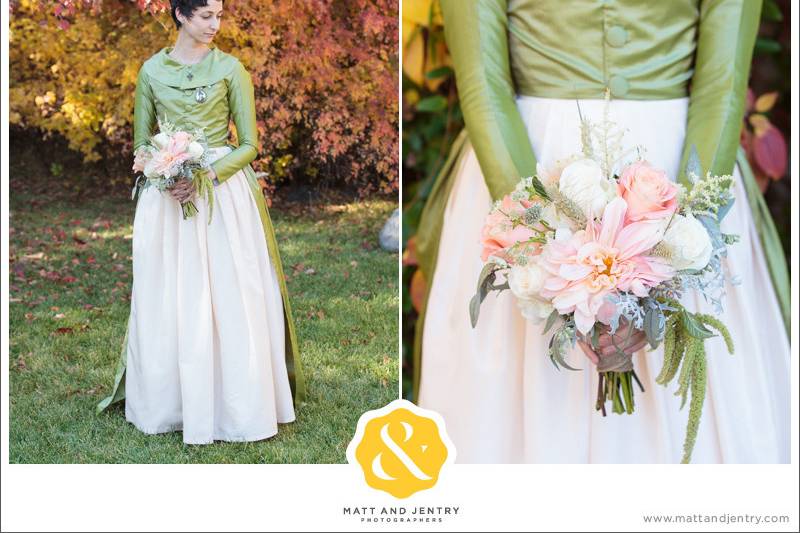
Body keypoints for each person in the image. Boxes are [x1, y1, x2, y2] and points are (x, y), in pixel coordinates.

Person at [413, 0, 789, 463]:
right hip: (526, 165)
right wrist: (535, 240)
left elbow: (722, 88)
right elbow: (482, 84)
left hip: (678, 172)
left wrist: (679, 244)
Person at [96, 0, 305, 444]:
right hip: (166, 199)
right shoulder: (150, 71)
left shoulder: (232, 69)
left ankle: (239, 401)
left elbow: (248, 145)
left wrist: (206, 176)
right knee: (169, 292)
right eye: (207, 15)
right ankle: (168, 402)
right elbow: (141, 143)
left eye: (220, 16)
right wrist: (164, 170)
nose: (216, 24)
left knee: (231, 291)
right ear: (180, 16)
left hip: (222, 195)